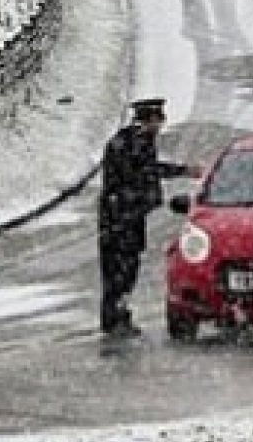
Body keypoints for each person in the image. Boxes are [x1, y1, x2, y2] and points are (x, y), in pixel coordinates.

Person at [98, 98, 202, 337]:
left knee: (120, 269)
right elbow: (146, 171)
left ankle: (115, 316)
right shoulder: (135, 143)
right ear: (150, 120)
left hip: (121, 216)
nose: (160, 126)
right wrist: (183, 171)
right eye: (158, 121)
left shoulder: (129, 140)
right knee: (122, 270)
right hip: (122, 217)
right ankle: (115, 318)